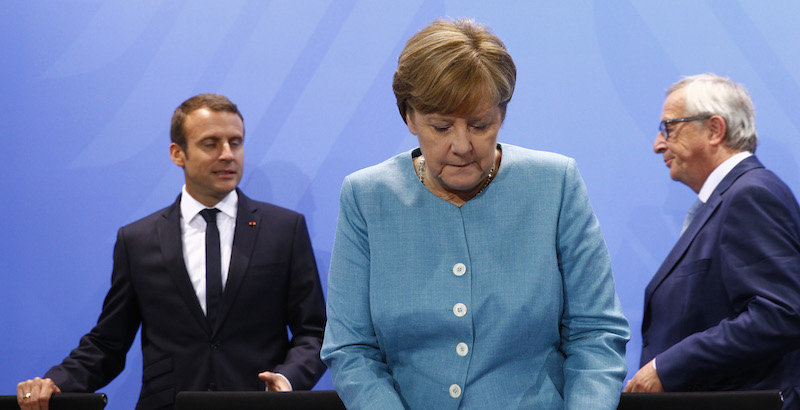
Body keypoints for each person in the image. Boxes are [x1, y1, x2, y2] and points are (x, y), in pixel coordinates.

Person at [321, 18, 629, 409]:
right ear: (409, 117)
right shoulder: (366, 196)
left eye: (480, 125)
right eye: (441, 126)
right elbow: (352, 350)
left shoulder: (555, 184)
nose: (462, 145)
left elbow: (595, 334)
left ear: (502, 115)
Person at [16, 93, 327, 410]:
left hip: (259, 407)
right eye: (211, 143)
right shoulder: (137, 240)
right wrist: (56, 383)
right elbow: (108, 343)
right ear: (178, 154)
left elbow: (314, 333)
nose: (227, 154)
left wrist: (288, 379)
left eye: (236, 142)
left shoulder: (284, 230)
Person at [625, 74, 800, 408]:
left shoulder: (751, 194)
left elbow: (780, 313)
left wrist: (666, 368)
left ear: (715, 130)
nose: (658, 144)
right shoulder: (731, 199)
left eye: (669, 127)